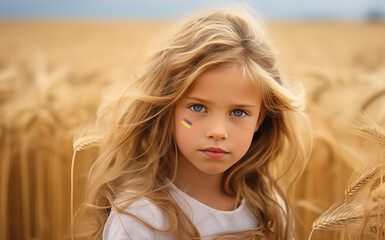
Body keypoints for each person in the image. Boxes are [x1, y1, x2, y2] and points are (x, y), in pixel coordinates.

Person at [75, 5, 311, 240]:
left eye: (238, 113)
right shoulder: (140, 217)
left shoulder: (270, 211)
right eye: (198, 108)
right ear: (169, 109)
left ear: (259, 120)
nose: (218, 132)